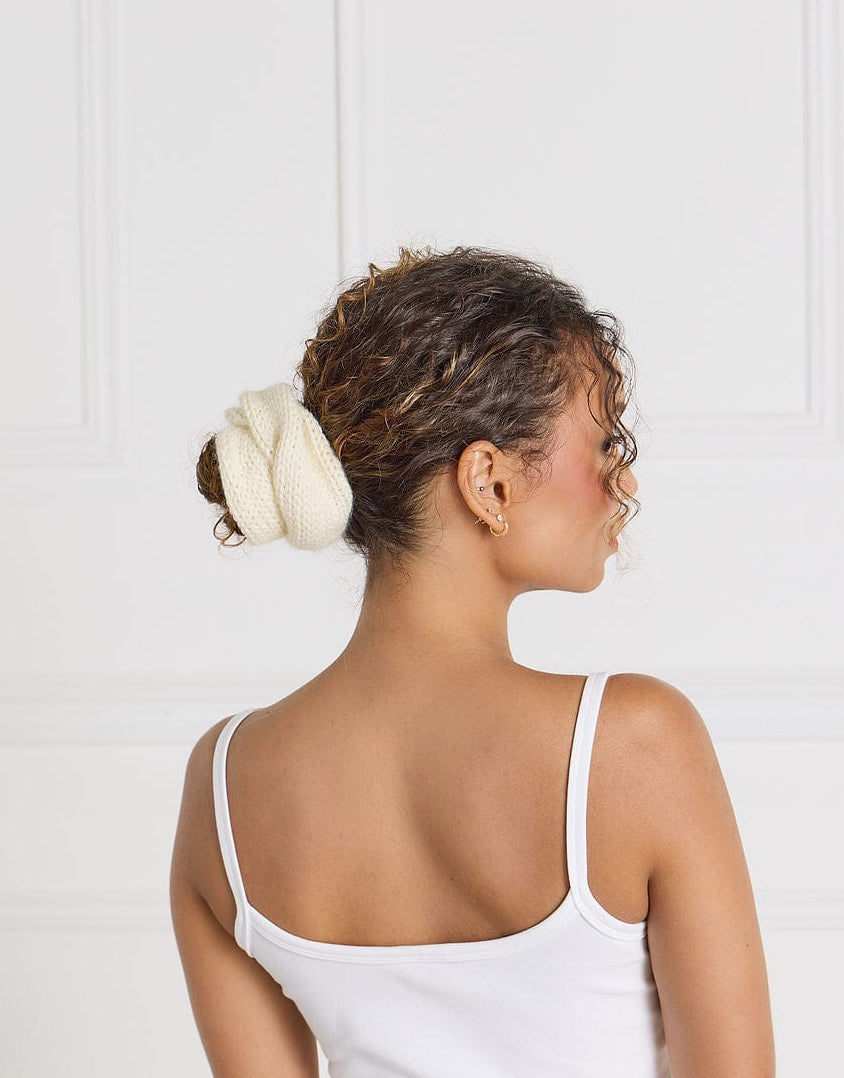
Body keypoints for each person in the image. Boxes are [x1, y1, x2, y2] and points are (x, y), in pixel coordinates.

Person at [170, 245, 775, 1077]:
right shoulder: (633, 743)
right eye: (605, 442)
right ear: (488, 482)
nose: (625, 483)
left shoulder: (223, 788)